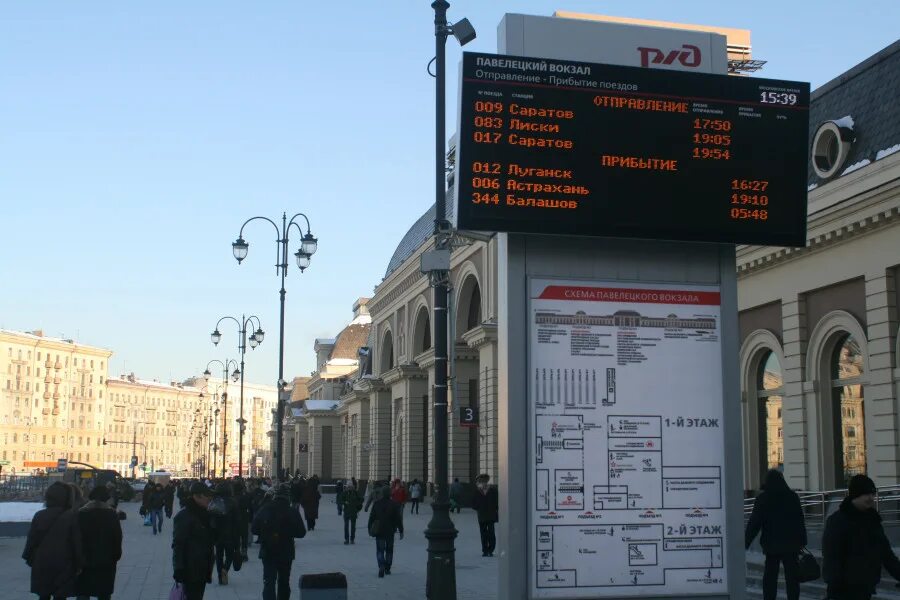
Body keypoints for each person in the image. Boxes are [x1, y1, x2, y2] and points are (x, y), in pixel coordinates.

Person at [823, 474, 900, 600]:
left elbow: (886, 553)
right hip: (844, 591)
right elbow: (832, 557)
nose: (871, 498)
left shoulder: (872, 520)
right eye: (867, 494)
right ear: (856, 495)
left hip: (866, 587)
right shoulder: (838, 521)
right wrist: (833, 589)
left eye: (873, 494)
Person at [744, 469, 806, 600]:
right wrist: (802, 541)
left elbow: (755, 522)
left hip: (772, 544)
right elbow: (799, 520)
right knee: (792, 578)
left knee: (770, 576)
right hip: (791, 544)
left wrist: (745, 542)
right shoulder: (792, 497)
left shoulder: (764, 498)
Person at [23, 481, 84, 600]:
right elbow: (76, 542)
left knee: (43, 595)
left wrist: (31, 559)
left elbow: (32, 540)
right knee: (60, 596)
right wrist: (79, 563)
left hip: (42, 562)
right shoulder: (72, 517)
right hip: (64, 563)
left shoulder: (39, 515)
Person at [252, 484, 306, 600]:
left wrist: (265, 533)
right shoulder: (292, 511)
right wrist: (288, 532)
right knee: (284, 581)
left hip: (268, 550)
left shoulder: (265, 509)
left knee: (269, 581)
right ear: (288, 496)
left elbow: (254, 529)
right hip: (286, 551)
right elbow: (301, 532)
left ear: (275, 495)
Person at [74, 486, 123, 600]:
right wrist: (116, 555)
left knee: (83, 591)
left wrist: (76, 557)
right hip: (106, 560)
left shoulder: (81, 513)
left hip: (84, 559)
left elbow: (76, 537)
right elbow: (117, 537)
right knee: (104, 592)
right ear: (107, 498)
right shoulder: (111, 514)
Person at [172, 482, 216, 600]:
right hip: (190, 569)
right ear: (196, 496)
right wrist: (178, 568)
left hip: (203, 567)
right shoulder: (184, 516)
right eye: (206, 495)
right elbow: (178, 544)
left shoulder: (205, 514)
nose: (210, 498)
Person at [368, 483, 404, 577]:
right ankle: (387, 568)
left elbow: (371, 518)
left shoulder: (377, 504)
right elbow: (398, 519)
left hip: (379, 530)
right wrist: (401, 530)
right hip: (390, 531)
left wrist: (369, 529)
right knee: (389, 550)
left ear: (382, 493)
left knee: (380, 550)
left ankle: (381, 565)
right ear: (390, 493)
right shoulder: (394, 504)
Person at [209, 481, 241, 585]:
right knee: (230, 555)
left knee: (219, 555)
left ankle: (219, 576)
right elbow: (237, 521)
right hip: (230, 533)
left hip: (217, 533)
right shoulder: (233, 502)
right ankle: (225, 569)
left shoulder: (215, 501)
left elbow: (210, 518)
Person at [471, 474, 498, 557]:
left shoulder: (493, 490)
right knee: (483, 534)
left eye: (484, 481)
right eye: (481, 481)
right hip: (482, 515)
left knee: (491, 533)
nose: (482, 483)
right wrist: (478, 507)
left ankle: (491, 550)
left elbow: (497, 501)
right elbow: (473, 503)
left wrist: (494, 508)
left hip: (490, 515)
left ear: (487, 481)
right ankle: (485, 550)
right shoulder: (477, 491)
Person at [342, 480, 364, 544]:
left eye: (350, 486)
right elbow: (340, 500)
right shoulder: (345, 493)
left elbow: (362, 499)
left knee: (353, 526)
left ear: (352, 486)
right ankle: (346, 539)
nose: (349, 487)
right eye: (348, 486)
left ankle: (352, 539)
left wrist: (356, 504)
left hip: (354, 512)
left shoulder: (356, 493)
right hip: (346, 512)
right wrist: (344, 502)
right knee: (346, 526)